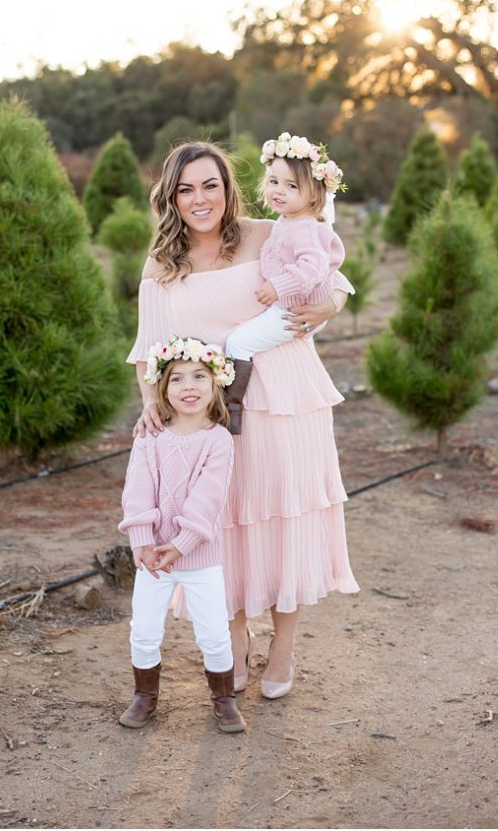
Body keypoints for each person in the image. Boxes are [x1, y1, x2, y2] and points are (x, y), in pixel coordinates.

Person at [129, 140, 359, 701]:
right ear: (172, 197)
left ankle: (283, 648)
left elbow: (330, 273)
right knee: (223, 525)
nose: (200, 199)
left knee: (284, 517)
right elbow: (148, 349)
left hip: (286, 398)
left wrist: (329, 305)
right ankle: (233, 643)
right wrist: (149, 404)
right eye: (186, 189)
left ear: (229, 188)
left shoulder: (266, 232)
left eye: (211, 185)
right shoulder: (163, 263)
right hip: (209, 414)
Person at [118, 336, 246, 733]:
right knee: (144, 629)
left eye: (198, 377)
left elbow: (209, 499)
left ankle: (223, 700)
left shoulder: (218, 441)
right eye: (176, 379)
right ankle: (145, 696)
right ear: (161, 388)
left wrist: (182, 544)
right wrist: (142, 540)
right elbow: (136, 487)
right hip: (153, 557)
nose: (188, 387)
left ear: (215, 385)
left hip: (199, 558)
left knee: (213, 631)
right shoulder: (150, 436)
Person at [224, 132, 347, 433]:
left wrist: (279, 286)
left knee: (238, 342)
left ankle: (230, 408)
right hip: (295, 307)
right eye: (273, 181)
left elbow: (314, 266)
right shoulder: (289, 220)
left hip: (292, 310)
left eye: (291, 186)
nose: (278, 191)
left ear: (314, 196)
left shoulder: (302, 226)